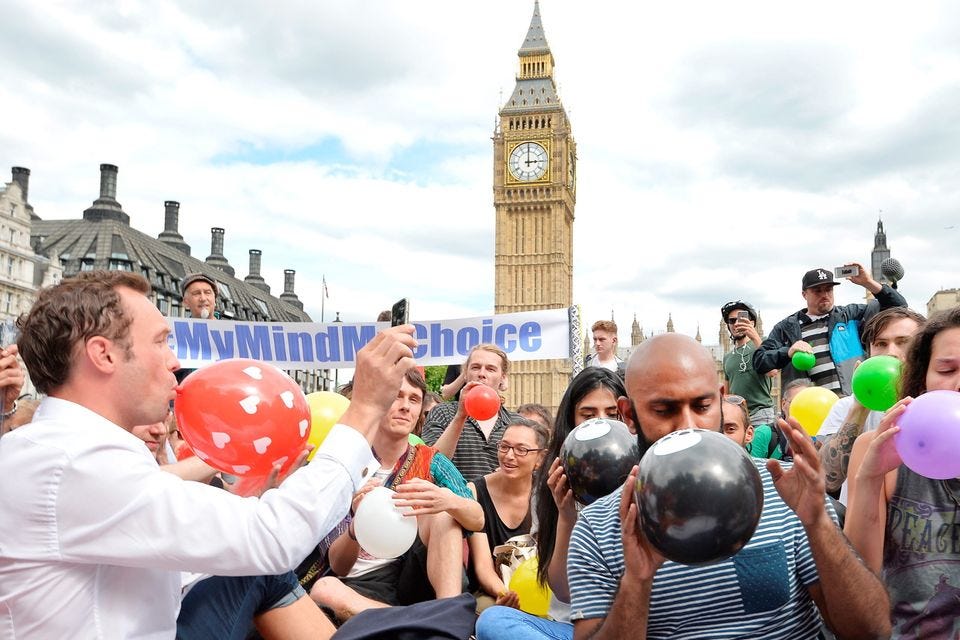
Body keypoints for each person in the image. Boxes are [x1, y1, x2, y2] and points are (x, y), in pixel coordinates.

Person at [0, 271, 417, 639]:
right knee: (262, 563)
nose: (174, 362)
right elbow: (271, 539)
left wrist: (244, 501)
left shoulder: (63, 450)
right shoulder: (73, 461)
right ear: (103, 354)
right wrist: (364, 409)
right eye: (161, 342)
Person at [566, 333, 890, 640]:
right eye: (664, 410)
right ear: (628, 415)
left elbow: (870, 630)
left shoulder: (786, 488)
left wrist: (818, 525)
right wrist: (636, 581)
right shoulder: (598, 528)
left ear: (721, 399)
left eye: (702, 406)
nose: (689, 426)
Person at [310, 369, 483, 620]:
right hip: (360, 584)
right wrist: (356, 527)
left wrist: (448, 500)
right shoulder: (343, 462)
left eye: (413, 399)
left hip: (412, 574)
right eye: (396, 397)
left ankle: (449, 616)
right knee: (325, 590)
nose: (405, 407)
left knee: (445, 515)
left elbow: (478, 519)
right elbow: (338, 566)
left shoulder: (431, 460)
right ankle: (419, 622)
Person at [476, 367, 626, 640]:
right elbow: (564, 590)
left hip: (631, 624)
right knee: (493, 620)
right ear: (571, 419)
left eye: (612, 414)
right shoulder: (550, 486)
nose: (601, 424)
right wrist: (566, 517)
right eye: (588, 415)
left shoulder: (645, 476)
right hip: (569, 627)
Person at [845, 306, 960, 638]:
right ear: (923, 375)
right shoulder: (879, 448)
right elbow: (858, 580)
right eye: (947, 369)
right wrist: (869, 478)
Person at [818, 307, 925, 503]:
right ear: (869, 353)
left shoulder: (937, 405)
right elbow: (826, 480)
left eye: (903, 342)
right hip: (858, 524)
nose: (891, 353)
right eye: (881, 344)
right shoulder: (846, 406)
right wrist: (860, 407)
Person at [754, 264, 907, 396]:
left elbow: (899, 307)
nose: (825, 295)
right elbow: (760, 361)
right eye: (817, 291)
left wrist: (868, 283)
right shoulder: (786, 328)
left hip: (852, 402)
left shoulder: (851, 315)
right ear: (804, 294)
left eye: (828, 289)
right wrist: (788, 351)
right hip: (810, 411)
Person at [468, 417, 548, 610]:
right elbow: (483, 568)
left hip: (542, 589)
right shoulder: (475, 491)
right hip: (494, 591)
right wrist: (508, 595)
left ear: (540, 458)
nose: (509, 456)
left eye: (521, 450)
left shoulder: (548, 493)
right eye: (504, 447)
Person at [422, 344, 520, 480]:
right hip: (451, 499)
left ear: (503, 378)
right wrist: (461, 415)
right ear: (465, 374)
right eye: (475, 367)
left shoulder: (517, 423)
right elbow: (430, 465)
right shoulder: (442, 413)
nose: (482, 374)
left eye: (491, 369)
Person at [720, 301, 776, 426]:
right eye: (732, 321)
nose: (736, 324)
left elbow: (772, 371)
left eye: (741, 320)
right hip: (738, 418)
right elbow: (728, 395)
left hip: (761, 415)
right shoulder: (727, 357)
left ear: (752, 323)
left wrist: (755, 337)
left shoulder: (763, 343)